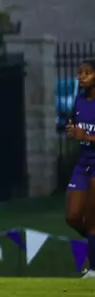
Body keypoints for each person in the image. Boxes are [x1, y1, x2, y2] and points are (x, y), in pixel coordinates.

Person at [66, 59, 95, 277]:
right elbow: (73, 124)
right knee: (73, 216)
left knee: (92, 215)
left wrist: (86, 136)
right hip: (83, 163)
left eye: (87, 73)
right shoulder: (79, 101)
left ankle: (93, 269)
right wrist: (71, 130)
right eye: (79, 73)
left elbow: (86, 134)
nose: (81, 77)